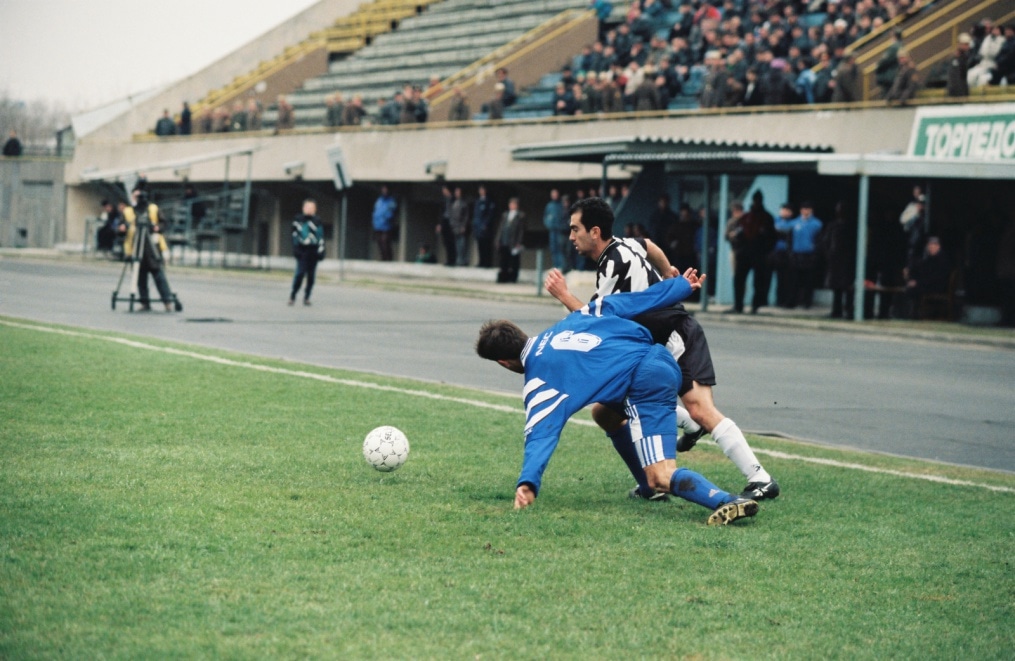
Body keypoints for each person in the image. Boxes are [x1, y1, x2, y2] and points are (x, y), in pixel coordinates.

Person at [477, 272, 759, 525]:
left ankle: (725, 500)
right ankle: (647, 489)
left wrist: (528, 483)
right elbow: (628, 302)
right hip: (657, 358)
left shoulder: (540, 377)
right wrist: (680, 286)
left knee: (661, 474)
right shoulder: (574, 319)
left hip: (645, 382)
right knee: (604, 414)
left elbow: (541, 434)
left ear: (503, 362)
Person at [544, 197, 779, 501]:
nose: (571, 236)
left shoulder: (612, 264)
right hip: (649, 349)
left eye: (575, 229)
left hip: (674, 336)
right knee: (605, 413)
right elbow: (650, 245)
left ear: (595, 231)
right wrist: (668, 271)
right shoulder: (625, 244)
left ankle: (759, 477)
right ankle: (651, 483)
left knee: (701, 407)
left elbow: (596, 321)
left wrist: (564, 295)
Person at [122, 188, 175, 312]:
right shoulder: (129, 211)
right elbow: (122, 226)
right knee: (140, 277)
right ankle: (144, 301)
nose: (138, 199)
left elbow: (164, 223)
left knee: (159, 276)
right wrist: (122, 228)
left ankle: (167, 301)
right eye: (136, 196)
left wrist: (157, 228)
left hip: (152, 248)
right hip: (136, 247)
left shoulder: (153, 209)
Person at [726, 190, 776, 314]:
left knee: (758, 281)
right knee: (739, 280)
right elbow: (736, 234)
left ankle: (755, 305)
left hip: (759, 253)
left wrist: (766, 251)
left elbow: (772, 237)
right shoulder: (746, 217)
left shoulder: (766, 218)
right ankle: (738, 305)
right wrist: (739, 248)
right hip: (744, 253)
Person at [777, 201, 823, 309]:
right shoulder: (794, 223)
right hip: (796, 255)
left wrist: (815, 253)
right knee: (793, 280)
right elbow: (788, 238)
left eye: (807, 208)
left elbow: (819, 240)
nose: (805, 211)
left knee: (808, 280)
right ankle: (792, 302)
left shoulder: (817, 224)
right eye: (803, 208)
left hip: (809, 255)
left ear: (811, 210)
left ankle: (807, 302)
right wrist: (790, 253)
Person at [821, 202, 856, 320]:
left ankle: (849, 310)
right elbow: (826, 241)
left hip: (848, 260)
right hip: (835, 260)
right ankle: (836, 310)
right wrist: (829, 254)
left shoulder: (851, 226)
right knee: (836, 287)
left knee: (848, 287)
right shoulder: (832, 225)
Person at [289, 199, 324, 306]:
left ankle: (307, 296)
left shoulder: (317, 221)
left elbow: (321, 237)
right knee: (300, 274)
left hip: (313, 251)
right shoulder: (298, 220)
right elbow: (294, 235)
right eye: (307, 207)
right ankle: (293, 295)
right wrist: (296, 249)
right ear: (303, 208)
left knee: (311, 276)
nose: (309, 209)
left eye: (312, 207)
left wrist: (321, 251)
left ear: (315, 209)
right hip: (302, 250)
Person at [904, 237, 950, 319]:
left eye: (933, 245)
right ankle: (913, 313)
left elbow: (936, 277)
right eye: (929, 245)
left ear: (938, 246)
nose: (931, 248)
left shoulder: (942, 260)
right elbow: (923, 271)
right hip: (928, 283)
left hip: (937, 286)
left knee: (914, 289)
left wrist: (918, 283)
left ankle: (916, 314)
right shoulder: (929, 259)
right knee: (911, 287)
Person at [495, 197, 525, 283]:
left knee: (514, 261)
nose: (512, 206)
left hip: (514, 241)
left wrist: (519, 242)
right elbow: (501, 228)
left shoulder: (520, 216)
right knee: (504, 260)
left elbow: (521, 230)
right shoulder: (505, 215)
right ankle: (503, 277)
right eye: (511, 204)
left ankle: (513, 278)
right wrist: (498, 239)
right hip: (505, 240)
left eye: (514, 204)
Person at [543, 189, 570, 271]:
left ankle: (562, 266)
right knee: (553, 248)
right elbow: (545, 217)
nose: (554, 195)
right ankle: (556, 265)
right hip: (552, 231)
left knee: (560, 249)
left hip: (560, 231)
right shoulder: (549, 206)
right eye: (553, 194)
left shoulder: (561, 205)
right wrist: (549, 225)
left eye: (556, 194)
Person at [471, 185, 496, 268]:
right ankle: (481, 262)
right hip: (478, 228)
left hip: (486, 229)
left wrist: (485, 224)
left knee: (486, 246)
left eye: (483, 190)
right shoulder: (478, 201)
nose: (481, 192)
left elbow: (490, 215)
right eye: (480, 190)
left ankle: (487, 262)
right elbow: (476, 215)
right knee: (480, 246)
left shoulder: (489, 201)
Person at [372, 185, 397, 262]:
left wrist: (386, 218)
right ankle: (383, 259)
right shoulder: (379, 200)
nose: (384, 191)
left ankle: (388, 259)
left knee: (385, 242)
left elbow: (392, 212)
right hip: (378, 225)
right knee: (379, 243)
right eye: (383, 190)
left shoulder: (391, 201)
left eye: (386, 190)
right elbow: (376, 211)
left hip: (386, 226)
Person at [449, 185, 471, 266]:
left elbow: (466, 216)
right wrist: (452, 224)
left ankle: (463, 260)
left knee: (462, 245)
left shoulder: (464, 203)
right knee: (457, 245)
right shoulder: (454, 203)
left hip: (461, 227)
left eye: (458, 192)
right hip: (455, 227)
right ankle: (458, 260)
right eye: (456, 192)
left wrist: (464, 226)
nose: (456, 193)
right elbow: (451, 215)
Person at [946, 33, 973, 98]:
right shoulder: (956, 59)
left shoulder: (966, 57)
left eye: (968, 44)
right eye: (965, 44)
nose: (967, 47)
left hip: (963, 91)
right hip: (956, 93)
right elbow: (955, 78)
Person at [436, 185, 456, 266]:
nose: (443, 192)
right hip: (445, 222)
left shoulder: (453, 200)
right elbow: (441, 213)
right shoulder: (443, 200)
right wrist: (439, 224)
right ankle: (448, 259)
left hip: (452, 223)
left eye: (445, 190)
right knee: (446, 242)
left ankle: (453, 260)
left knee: (452, 242)